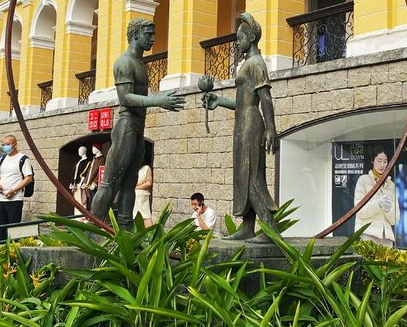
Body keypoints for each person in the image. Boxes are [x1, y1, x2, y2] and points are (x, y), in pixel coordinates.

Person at [91, 19, 185, 228]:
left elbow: (140, 95)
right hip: (126, 125)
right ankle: (92, 228)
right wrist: (158, 100)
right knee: (110, 182)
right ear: (135, 35)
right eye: (148, 34)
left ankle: (126, 228)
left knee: (129, 182)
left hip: (137, 126)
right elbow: (126, 98)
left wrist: (157, 98)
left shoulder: (139, 64)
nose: (153, 38)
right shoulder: (124, 62)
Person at [202, 13, 279, 242]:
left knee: (252, 175)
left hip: (251, 124)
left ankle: (270, 228)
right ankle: (247, 227)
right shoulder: (247, 64)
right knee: (242, 175)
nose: (236, 42)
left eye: (240, 38)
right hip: (242, 122)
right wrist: (218, 101)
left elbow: (265, 97)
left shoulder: (256, 64)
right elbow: (241, 101)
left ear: (252, 37)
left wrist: (271, 128)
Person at [354, 147, 400, 246]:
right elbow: (359, 212)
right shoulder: (363, 180)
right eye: (379, 161)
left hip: (387, 237)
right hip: (368, 233)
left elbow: (395, 219)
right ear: (372, 161)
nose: (382, 165)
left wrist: (388, 210)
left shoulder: (391, 185)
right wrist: (378, 204)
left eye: (385, 161)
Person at [0, 135, 34, 242]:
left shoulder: (23, 159)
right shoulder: (3, 159)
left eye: (8, 144)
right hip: (1, 198)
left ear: (15, 144)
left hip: (15, 199)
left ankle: (13, 250)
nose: (6, 146)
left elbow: (28, 178)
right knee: (0, 228)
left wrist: (14, 190)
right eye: (4, 144)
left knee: (13, 229)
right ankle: (1, 247)